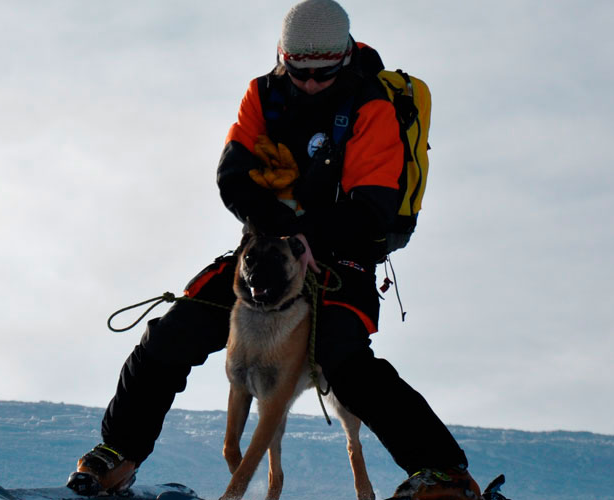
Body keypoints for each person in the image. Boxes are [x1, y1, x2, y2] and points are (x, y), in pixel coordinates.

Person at [68, 1, 482, 498]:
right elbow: (232, 177)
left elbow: (372, 205)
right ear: (282, 57)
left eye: (322, 73)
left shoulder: (372, 106)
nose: (308, 83)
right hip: (265, 251)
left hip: (342, 256)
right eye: (298, 71)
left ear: (344, 58)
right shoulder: (262, 94)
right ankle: (115, 455)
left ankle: (443, 473)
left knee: (342, 359)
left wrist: (310, 236)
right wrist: (286, 232)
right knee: (173, 332)